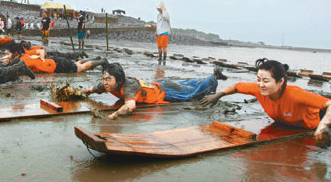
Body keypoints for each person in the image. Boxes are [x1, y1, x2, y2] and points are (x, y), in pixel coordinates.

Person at [200, 58, 331, 143]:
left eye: (266, 81)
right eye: (258, 80)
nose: (261, 84)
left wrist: (323, 126)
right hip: (287, 124)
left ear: (280, 82)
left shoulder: (296, 94)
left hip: (318, 119)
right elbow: (236, 86)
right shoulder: (258, 89)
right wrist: (219, 95)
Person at [82, 63, 227, 120]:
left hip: (165, 91)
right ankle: (206, 78)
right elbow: (92, 89)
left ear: (119, 80)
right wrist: (82, 93)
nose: (105, 82)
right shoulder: (107, 85)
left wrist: (114, 115)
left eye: (108, 79)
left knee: (193, 93)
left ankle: (214, 77)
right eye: (104, 78)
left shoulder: (128, 87)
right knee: (187, 85)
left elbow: (130, 106)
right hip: (158, 85)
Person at [4, 42, 107, 74]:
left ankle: (102, 61)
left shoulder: (23, 61)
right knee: (77, 64)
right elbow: (6, 62)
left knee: (81, 68)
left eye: (8, 54)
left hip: (56, 65)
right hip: (54, 62)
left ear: (16, 53)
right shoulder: (22, 56)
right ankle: (96, 60)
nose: (7, 56)